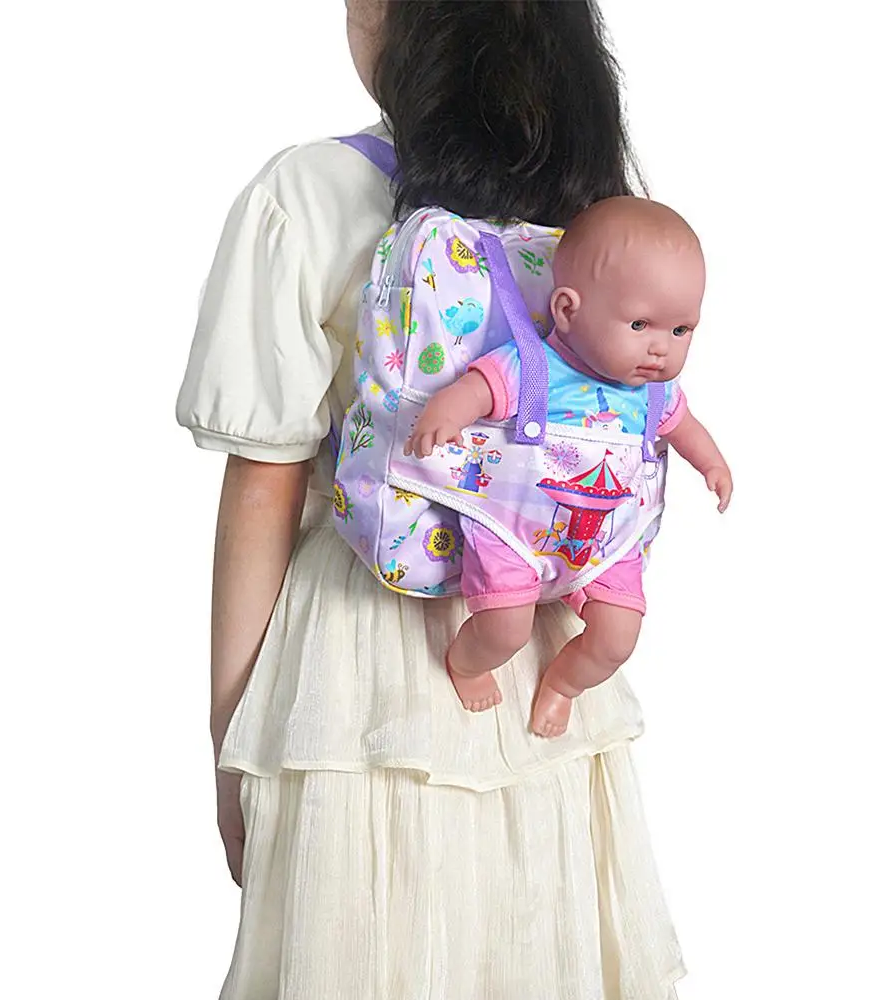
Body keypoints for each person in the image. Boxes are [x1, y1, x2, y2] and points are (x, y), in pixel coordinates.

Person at [176, 2, 686, 996]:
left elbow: (263, 483)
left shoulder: (308, 192)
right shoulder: (589, 199)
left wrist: (232, 740)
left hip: (357, 660)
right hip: (545, 653)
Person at [403, 196, 732, 737]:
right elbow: (477, 390)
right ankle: (467, 663)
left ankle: (564, 683)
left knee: (617, 638)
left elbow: (685, 428)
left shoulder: (655, 393)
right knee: (505, 629)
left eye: (681, 330)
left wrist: (712, 464)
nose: (661, 349)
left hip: (603, 538)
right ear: (567, 311)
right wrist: (445, 413)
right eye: (641, 324)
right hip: (515, 529)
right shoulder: (533, 367)